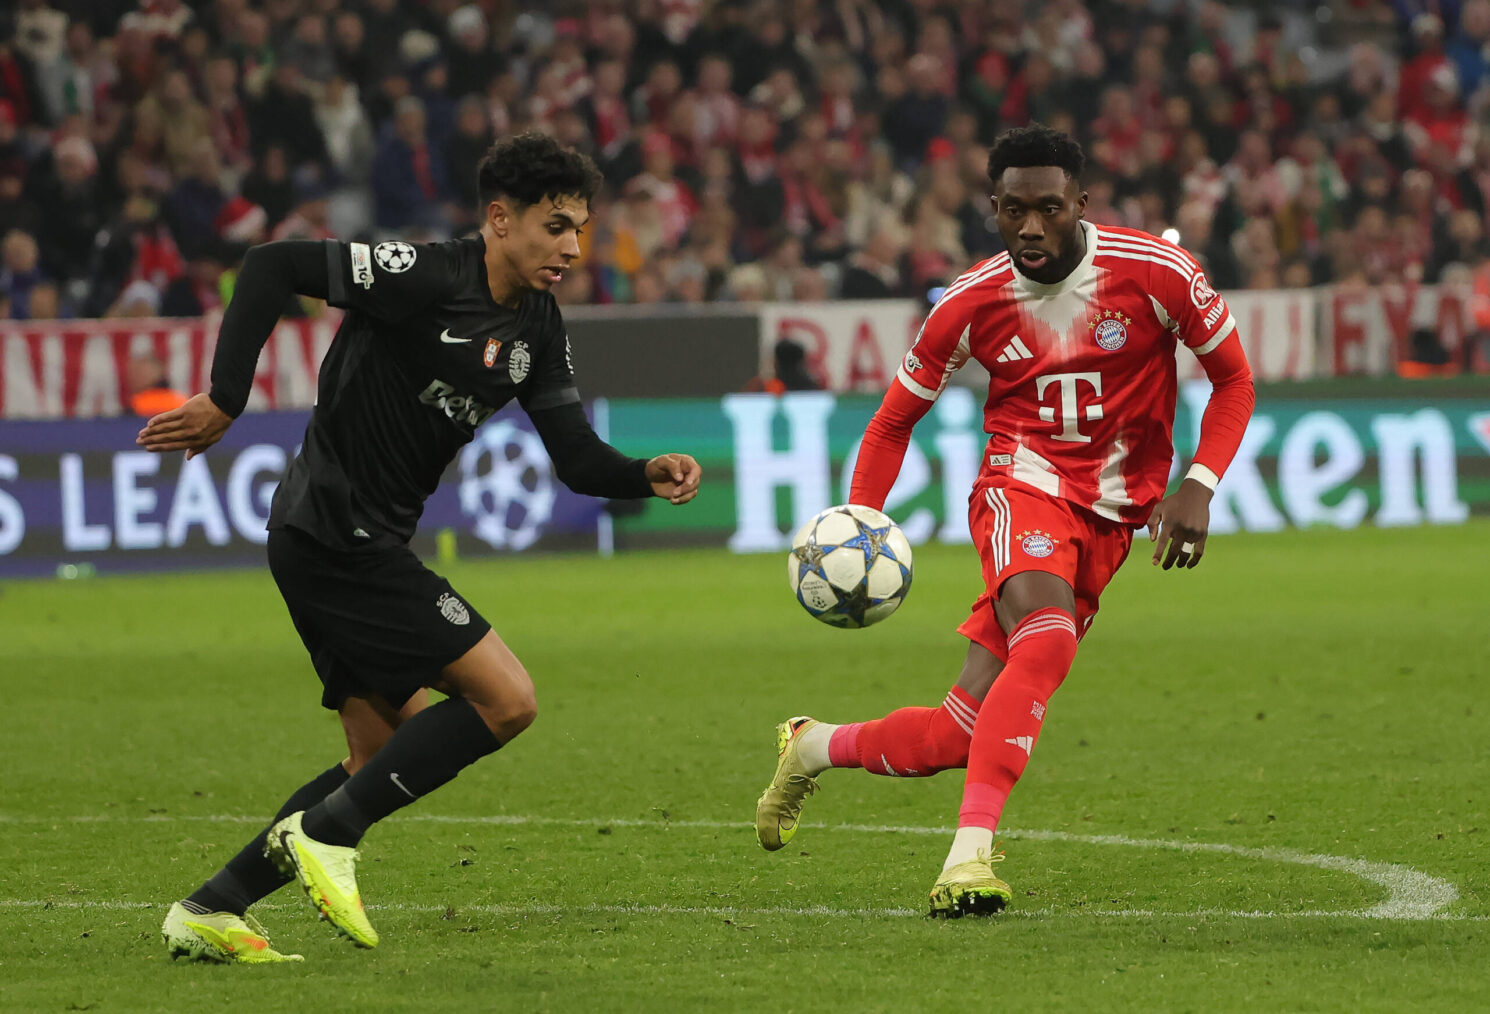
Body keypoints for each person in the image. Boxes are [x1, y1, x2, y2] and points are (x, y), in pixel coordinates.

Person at [140, 132, 701, 962]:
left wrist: (643, 472)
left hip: (340, 539)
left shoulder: (538, 326)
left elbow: (577, 458)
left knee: (374, 754)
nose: (572, 249)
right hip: (337, 531)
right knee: (507, 700)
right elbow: (269, 265)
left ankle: (211, 908)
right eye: (555, 227)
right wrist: (227, 397)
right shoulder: (425, 275)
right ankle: (327, 838)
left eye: (580, 230)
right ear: (500, 220)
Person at [753, 126, 1255, 917]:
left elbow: (1234, 381)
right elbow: (892, 422)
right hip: (1021, 488)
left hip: (1111, 519)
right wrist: (860, 522)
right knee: (1045, 641)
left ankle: (812, 744)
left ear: (1081, 203)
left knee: (955, 736)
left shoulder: (1157, 273)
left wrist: (1198, 483)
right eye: (1013, 210)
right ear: (992, 207)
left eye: (1049, 208)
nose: (1031, 227)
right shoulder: (969, 303)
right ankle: (968, 859)